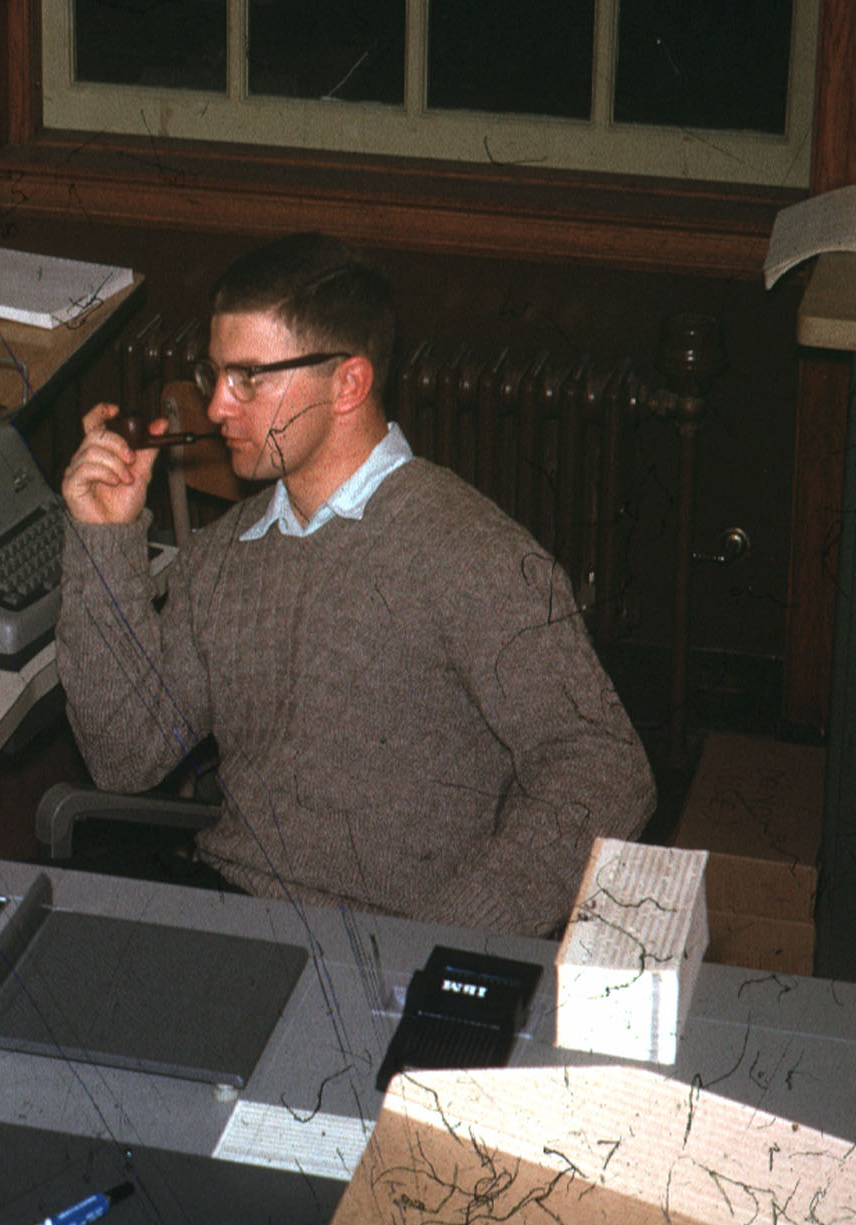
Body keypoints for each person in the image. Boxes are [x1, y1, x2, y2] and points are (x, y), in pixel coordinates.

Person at [54, 233, 656, 938]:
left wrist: (448, 937)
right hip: (238, 918)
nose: (217, 406)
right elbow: (125, 757)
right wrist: (104, 541)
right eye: (214, 372)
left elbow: (607, 770)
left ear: (349, 384)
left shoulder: (474, 556)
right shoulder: (222, 557)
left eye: (249, 377)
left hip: (397, 939)